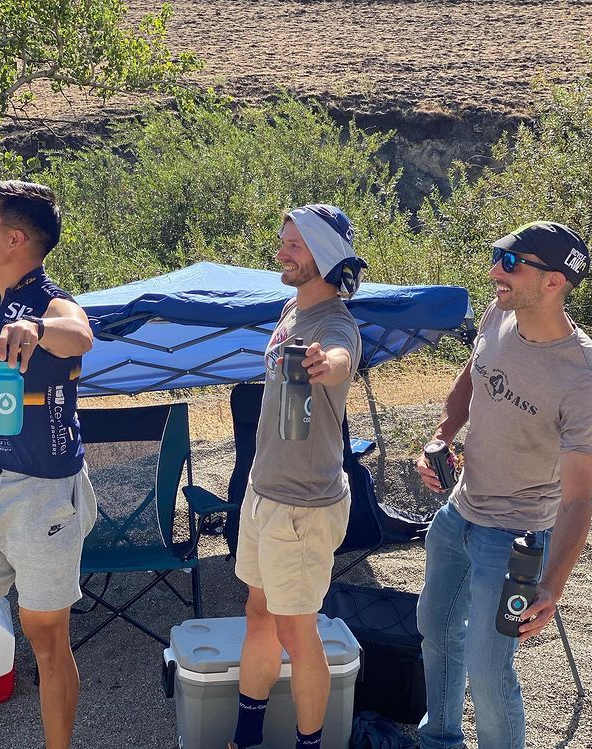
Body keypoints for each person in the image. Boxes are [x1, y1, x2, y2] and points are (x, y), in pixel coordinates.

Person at [415, 221, 592, 749]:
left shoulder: (582, 381)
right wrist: (442, 436)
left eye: (511, 261)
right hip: (458, 514)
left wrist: (553, 586)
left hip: (516, 539)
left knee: (487, 670)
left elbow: (577, 499)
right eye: (497, 255)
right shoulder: (499, 311)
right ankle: (440, 740)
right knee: (435, 635)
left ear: (553, 281)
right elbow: (474, 373)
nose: (494, 270)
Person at [0, 180, 97, 749]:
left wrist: (38, 329)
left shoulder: (51, 303)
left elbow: (80, 334)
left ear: (14, 238)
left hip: (45, 493)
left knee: (46, 638)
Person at [228, 204, 367, 749]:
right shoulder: (293, 307)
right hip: (265, 495)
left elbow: (339, 357)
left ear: (325, 256)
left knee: (298, 631)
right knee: (259, 614)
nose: (281, 252)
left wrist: (322, 364)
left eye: (294, 245)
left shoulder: (334, 323)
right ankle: (246, 737)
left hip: (303, 507)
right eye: (282, 241)